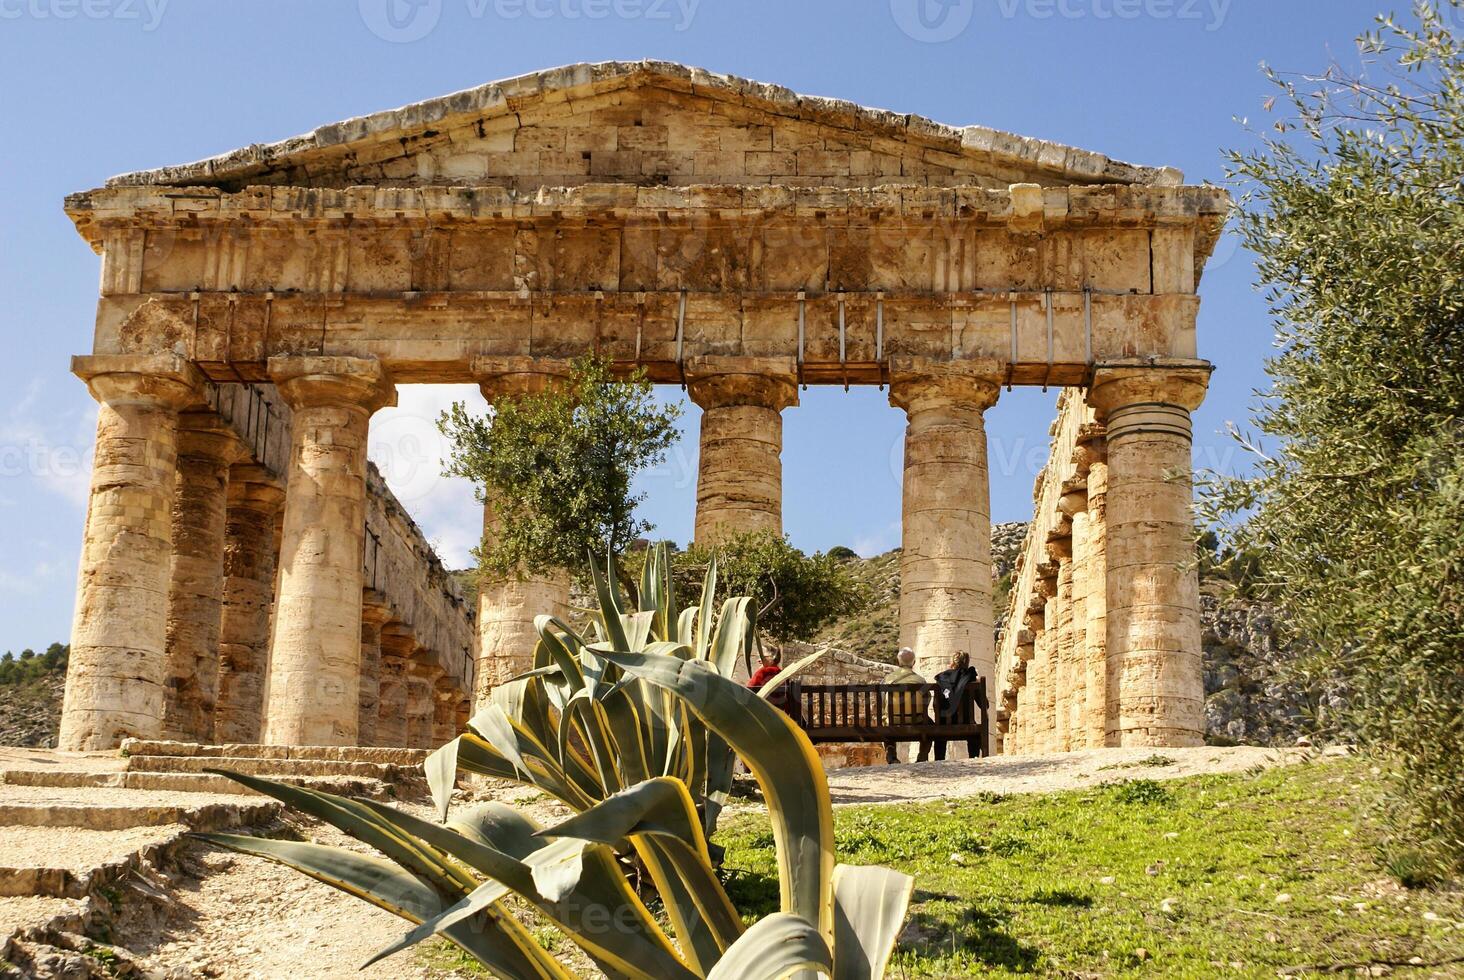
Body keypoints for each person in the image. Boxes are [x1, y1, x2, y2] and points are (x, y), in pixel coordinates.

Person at [882, 647, 931, 764]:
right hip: (917, 720)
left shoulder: (888, 680)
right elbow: (927, 699)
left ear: (898, 662)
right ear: (914, 663)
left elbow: (883, 700)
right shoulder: (920, 680)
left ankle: (891, 754)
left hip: (894, 720)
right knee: (931, 725)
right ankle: (922, 756)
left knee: (884, 723)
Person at [932, 651, 981, 761]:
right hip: (967, 723)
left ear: (952, 663)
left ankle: (939, 759)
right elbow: (984, 705)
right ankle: (974, 758)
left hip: (944, 724)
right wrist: (978, 684)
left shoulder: (941, 679)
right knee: (975, 734)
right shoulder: (971, 678)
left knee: (940, 733)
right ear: (967, 663)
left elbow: (935, 705)